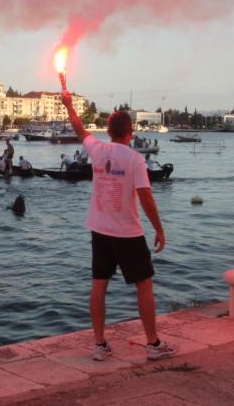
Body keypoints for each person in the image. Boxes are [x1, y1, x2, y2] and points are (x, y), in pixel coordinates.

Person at [61, 90, 178, 362]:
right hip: (127, 232)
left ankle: (100, 345)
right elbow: (146, 197)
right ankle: (153, 344)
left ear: (108, 131)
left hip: (99, 230)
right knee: (144, 285)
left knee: (99, 285)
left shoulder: (97, 150)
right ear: (131, 132)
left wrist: (69, 105)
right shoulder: (135, 159)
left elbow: (79, 128)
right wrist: (159, 229)